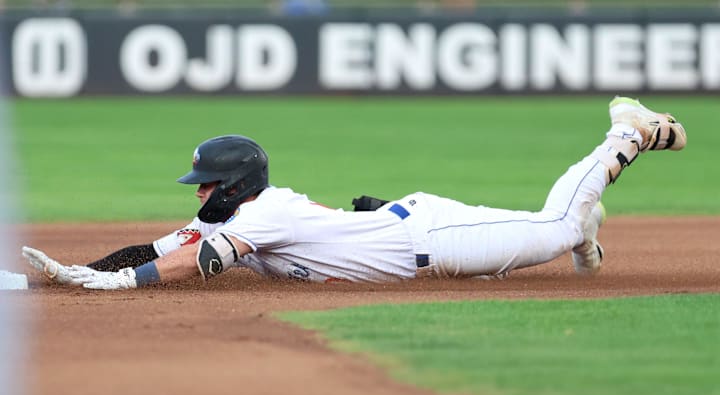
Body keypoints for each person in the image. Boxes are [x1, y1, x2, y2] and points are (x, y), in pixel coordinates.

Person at [22, 96, 687, 288]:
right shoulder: (242, 210)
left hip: (431, 241)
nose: (199, 198)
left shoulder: (264, 211)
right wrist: (81, 271)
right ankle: (590, 214)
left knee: (557, 227)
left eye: (208, 186)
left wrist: (117, 285)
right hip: (409, 227)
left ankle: (625, 137)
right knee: (551, 225)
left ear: (237, 185)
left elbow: (193, 261)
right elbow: (158, 244)